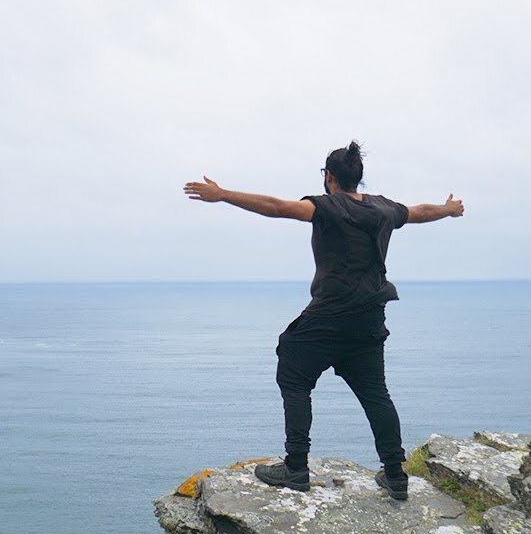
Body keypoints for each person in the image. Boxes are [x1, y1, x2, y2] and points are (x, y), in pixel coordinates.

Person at [183, 142, 464, 500]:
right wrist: (448, 209)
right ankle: (395, 474)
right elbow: (420, 212)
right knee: (376, 393)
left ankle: (296, 467)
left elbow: (276, 208)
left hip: (331, 314)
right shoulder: (383, 209)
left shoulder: (326, 206)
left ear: (329, 177)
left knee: (292, 366)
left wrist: (222, 195)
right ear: (357, 179)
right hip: (369, 317)